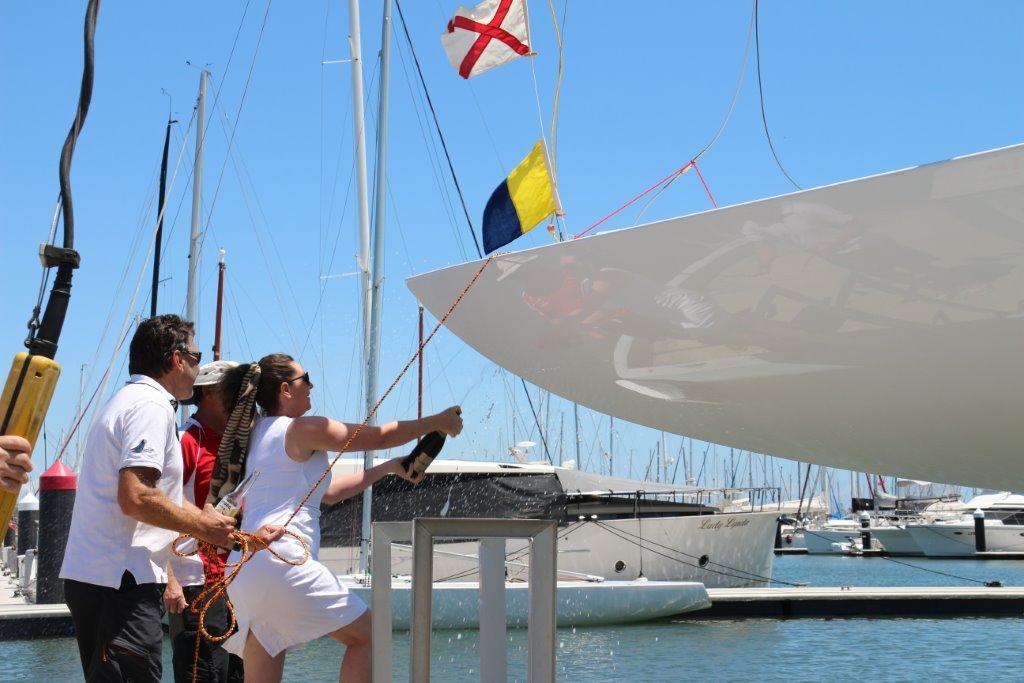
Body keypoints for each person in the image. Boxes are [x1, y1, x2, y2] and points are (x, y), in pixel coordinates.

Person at [59, 315, 283, 682]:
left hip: (108, 579)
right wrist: (203, 526)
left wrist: (229, 533)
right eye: (195, 357)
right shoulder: (151, 406)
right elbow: (135, 496)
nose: (196, 368)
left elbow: (160, 499)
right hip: (122, 581)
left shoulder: (128, 399)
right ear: (177, 359)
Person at [218, 353, 463, 683]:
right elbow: (379, 437)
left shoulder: (255, 432)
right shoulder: (305, 428)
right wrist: (439, 422)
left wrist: (390, 468)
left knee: (265, 669)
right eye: (306, 379)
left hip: (245, 568)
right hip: (283, 560)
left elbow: (328, 494)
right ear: (286, 390)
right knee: (368, 635)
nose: (312, 385)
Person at [166, 360, 243, 683]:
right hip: (193, 581)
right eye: (235, 392)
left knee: (236, 673)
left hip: (233, 581)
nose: (243, 401)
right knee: (201, 673)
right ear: (210, 392)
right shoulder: (185, 440)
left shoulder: (237, 444)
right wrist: (169, 580)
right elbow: (157, 508)